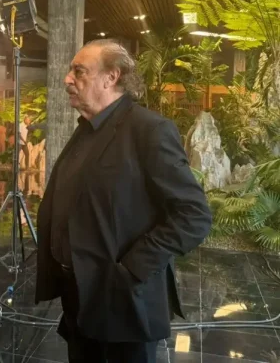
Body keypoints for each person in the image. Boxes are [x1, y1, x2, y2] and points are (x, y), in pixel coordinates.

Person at [35, 40, 212, 363]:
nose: (67, 79)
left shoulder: (149, 130)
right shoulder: (87, 129)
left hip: (123, 300)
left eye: (79, 71)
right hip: (79, 294)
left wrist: (131, 268)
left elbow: (193, 215)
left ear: (111, 77)